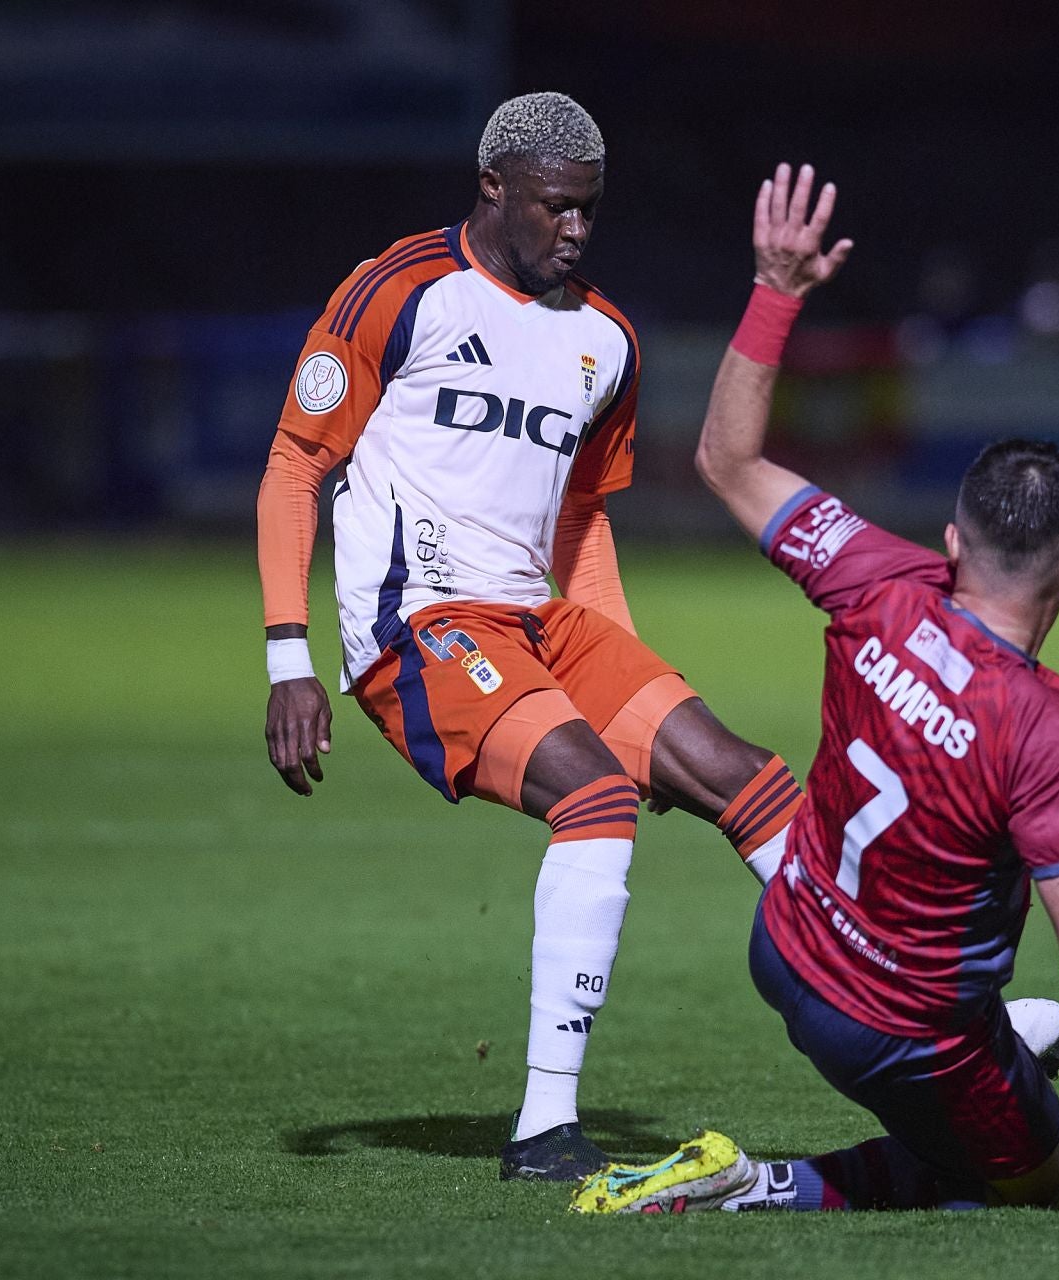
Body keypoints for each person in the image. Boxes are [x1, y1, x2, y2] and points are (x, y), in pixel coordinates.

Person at [567, 164, 1059, 1231]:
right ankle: (753, 1181)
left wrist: (777, 285)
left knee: (980, 1021)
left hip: (785, 943)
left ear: (954, 541)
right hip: (891, 1026)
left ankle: (1005, 1045)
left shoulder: (875, 571)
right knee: (1033, 1176)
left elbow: (726, 460)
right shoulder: (1050, 726)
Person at [255, 92, 815, 1182]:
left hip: (542, 619)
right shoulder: (399, 291)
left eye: (590, 212)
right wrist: (288, 655)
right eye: (557, 208)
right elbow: (294, 465)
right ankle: (543, 1126)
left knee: (750, 780)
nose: (575, 230)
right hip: (418, 626)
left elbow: (582, 519)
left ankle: (938, 1022)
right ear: (494, 190)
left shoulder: (604, 339)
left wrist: (626, 678)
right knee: (596, 795)